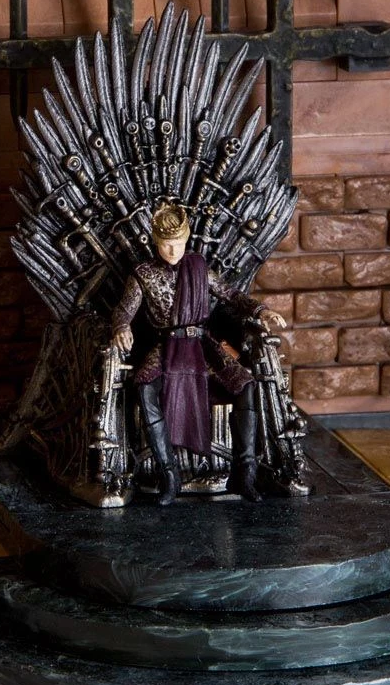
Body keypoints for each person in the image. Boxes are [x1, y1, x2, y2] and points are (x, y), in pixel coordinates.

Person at [111, 203, 286, 505]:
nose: (172, 250)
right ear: (156, 241)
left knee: (246, 385)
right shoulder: (143, 274)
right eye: (166, 244)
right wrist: (121, 327)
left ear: (187, 239)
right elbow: (123, 310)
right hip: (168, 347)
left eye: (178, 244)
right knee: (144, 386)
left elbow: (231, 294)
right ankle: (169, 474)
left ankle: (243, 472)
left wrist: (261, 311)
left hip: (202, 345)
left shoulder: (199, 267)